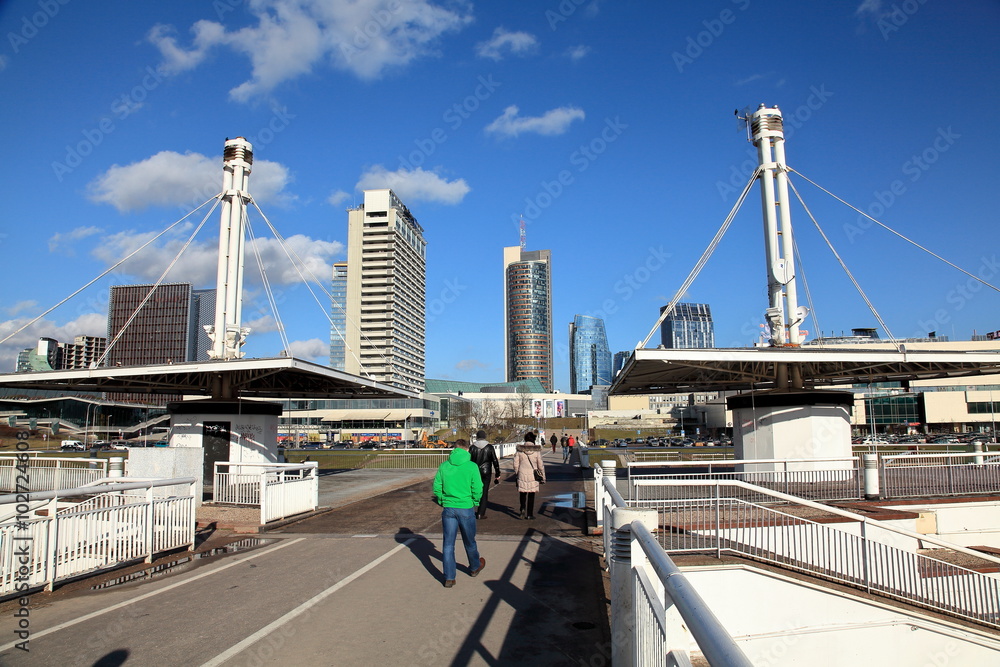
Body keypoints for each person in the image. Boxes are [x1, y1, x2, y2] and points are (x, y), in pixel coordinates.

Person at [433, 438, 486, 587]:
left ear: (455, 449)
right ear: (467, 449)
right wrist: (475, 501)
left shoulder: (444, 466)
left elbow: (437, 486)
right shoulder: (471, 466)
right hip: (466, 506)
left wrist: (442, 500)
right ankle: (474, 566)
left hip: (449, 507)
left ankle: (449, 577)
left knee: (448, 544)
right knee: (469, 541)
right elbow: (478, 487)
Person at [513, 431, 546, 520]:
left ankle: (522, 508)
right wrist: (543, 476)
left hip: (522, 473)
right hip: (533, 475)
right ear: (533, 440)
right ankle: (529, 514)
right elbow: (540, 465)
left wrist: (517, 472)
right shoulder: (536, 451)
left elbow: (515, 464)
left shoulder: (520, 450)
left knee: (522, 493)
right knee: (531, 494)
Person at [469, 429, 501, 519]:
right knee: (484, 491)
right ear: (485, 437)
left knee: (472, 490)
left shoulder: (472, 447)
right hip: (486, 471)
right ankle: (481, 513)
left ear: (477, 437)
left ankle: (470, 510)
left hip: (475, 472)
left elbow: (469, 460)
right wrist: (497, 473)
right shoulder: (489, 447)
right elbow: (494, 460)